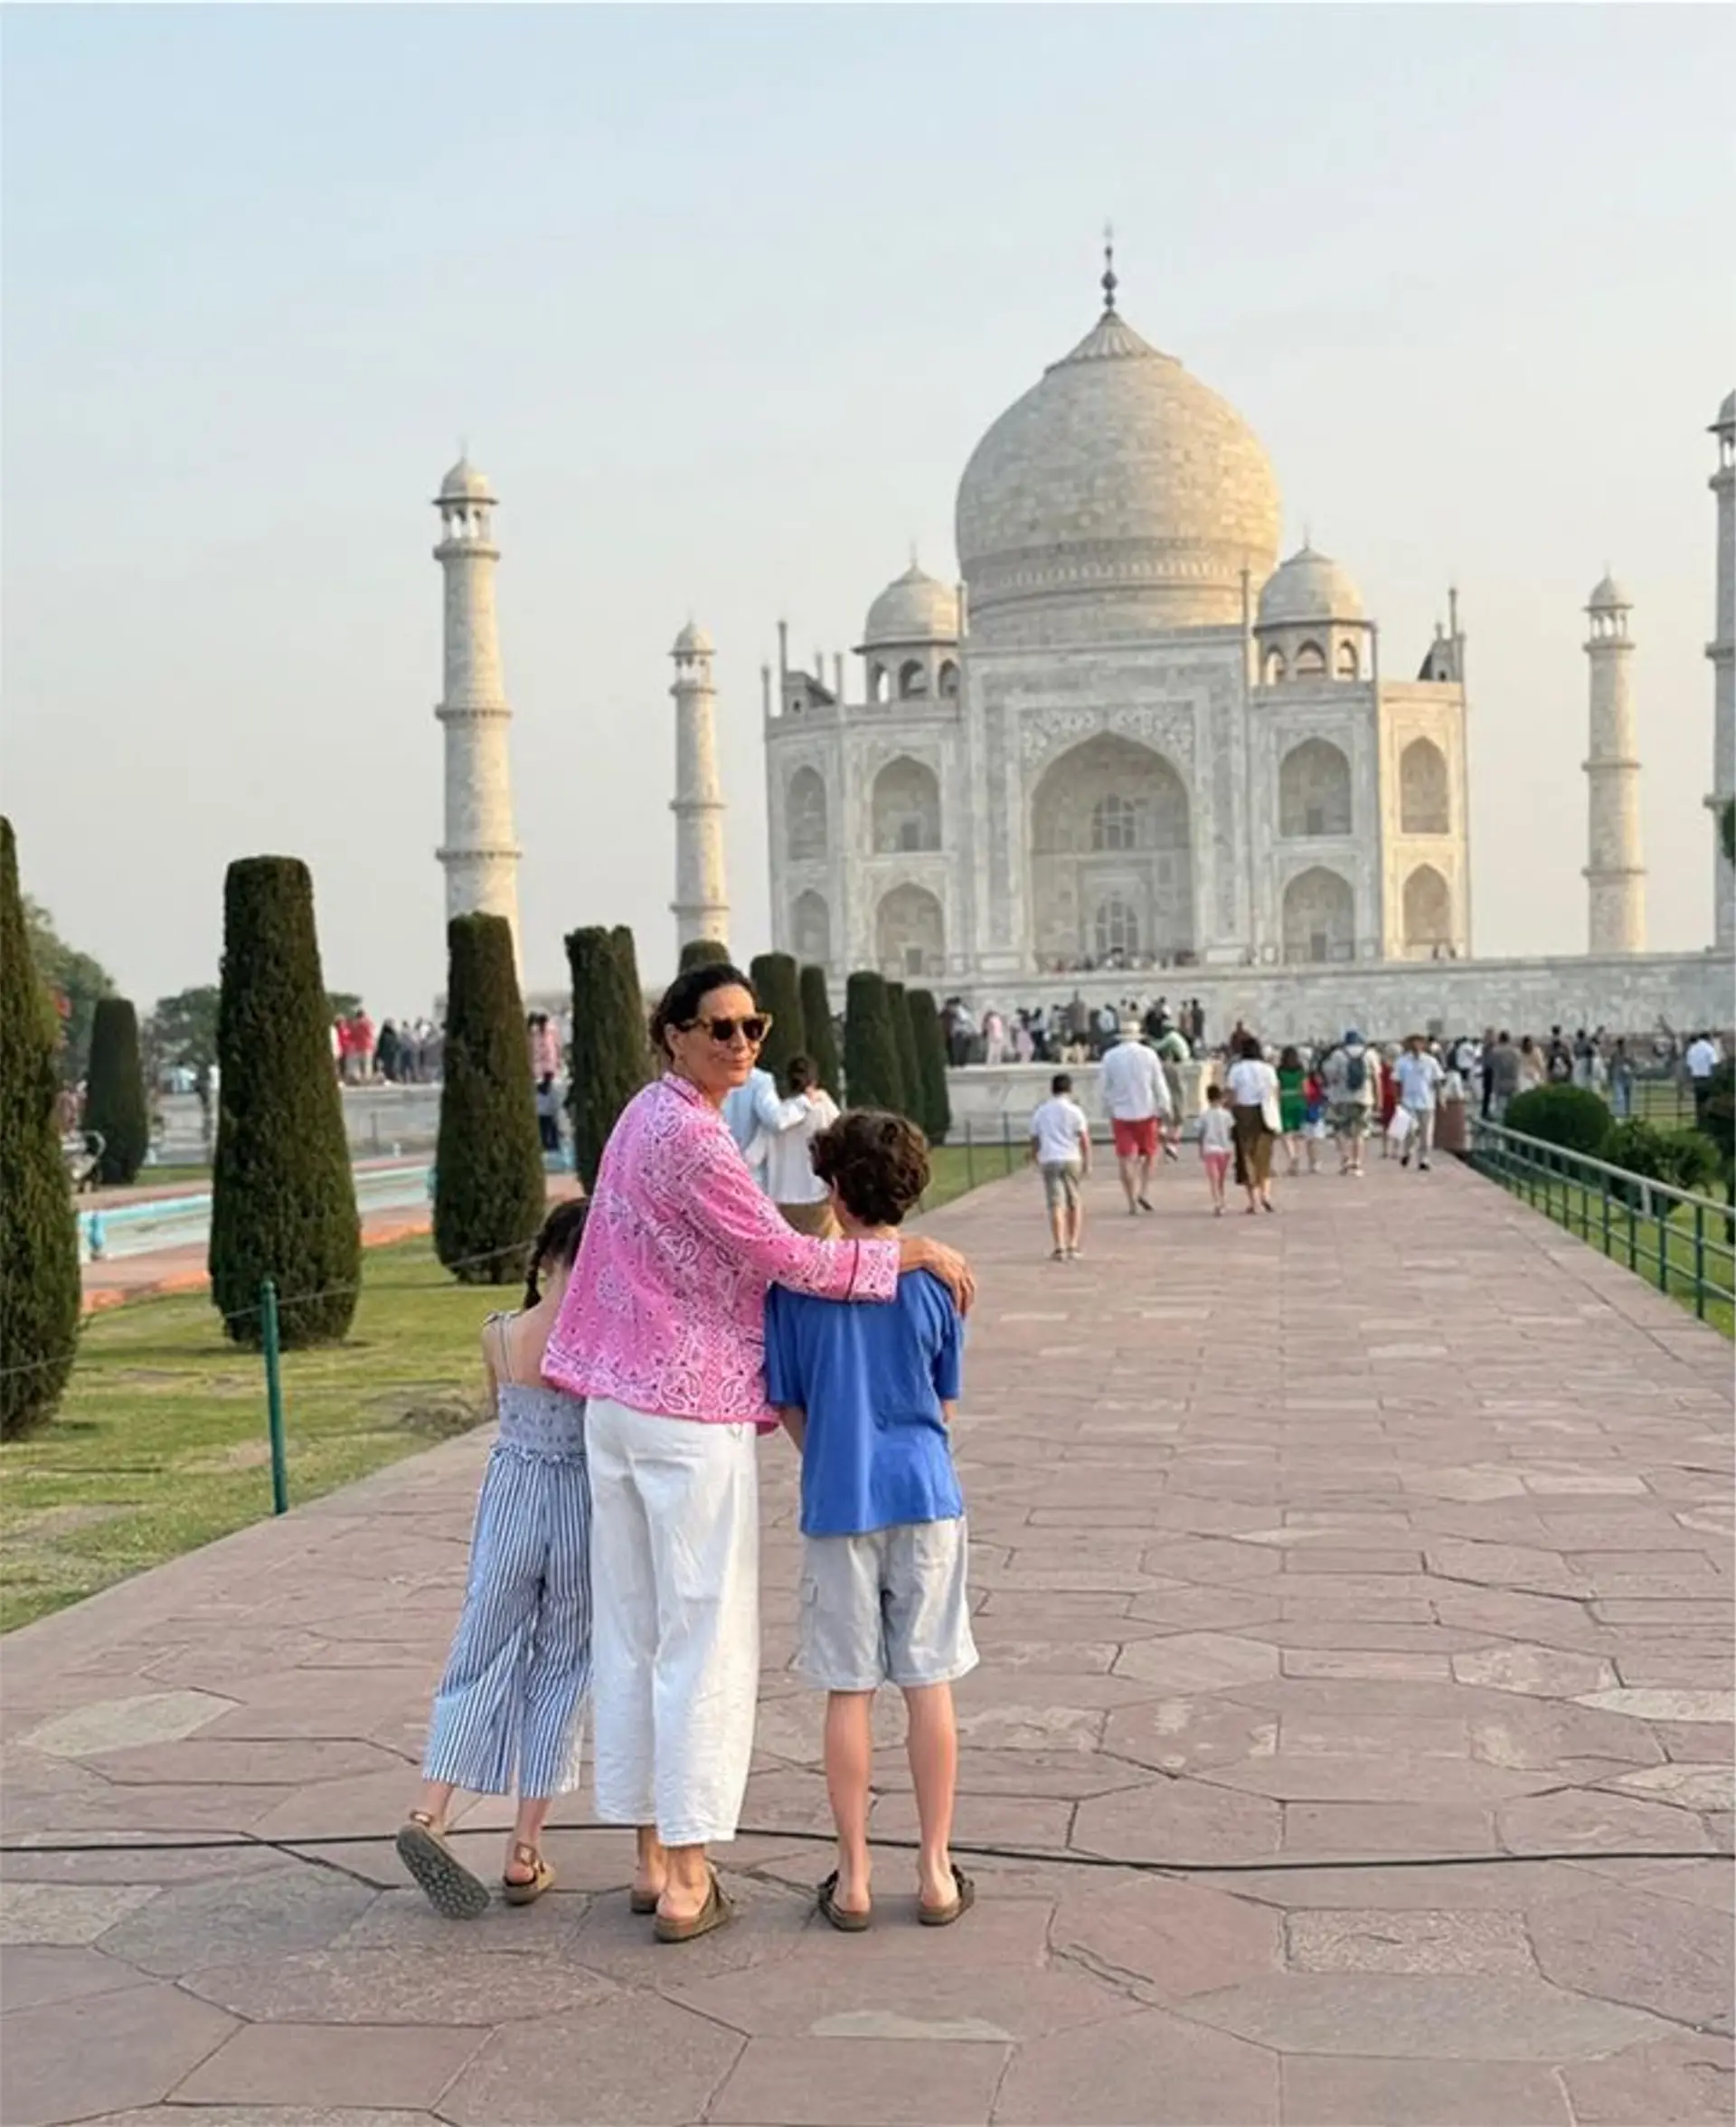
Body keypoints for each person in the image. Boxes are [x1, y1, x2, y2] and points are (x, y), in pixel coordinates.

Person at [542, 962, 972, 1944]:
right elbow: (788, 1259)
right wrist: (911, 1252)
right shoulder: (693, 1138)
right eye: (720, 1028)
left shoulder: (642, 1117)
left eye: (753, 1026)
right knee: (699, 1638)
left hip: (616, 1402)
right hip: (682, 1412)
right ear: (672, 1036)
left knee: (639, 1631)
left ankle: (654, 1857)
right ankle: (690, 1880)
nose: (742, 1044)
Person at [765, 1111, 976, 1931]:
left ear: (835, 1189)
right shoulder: (937, 1281)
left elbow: (785, 1399)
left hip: (838, 1497)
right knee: (929, 1683)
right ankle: (933, 1871)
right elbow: (943, 1400)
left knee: (848, 1689)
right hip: (923, 1493)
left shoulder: (796, 1285)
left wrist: (830, 1454)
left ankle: (853, 1875)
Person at [398, 1198, 594, 1918]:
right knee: (563, 1667)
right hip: (579, 1502)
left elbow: (501, 1417)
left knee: (478, 1652)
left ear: (542, 1262)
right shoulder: (594, 1349)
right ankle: (524, 1845)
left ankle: (431, 1807)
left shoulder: (500, 1335)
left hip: (512, 1494)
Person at [748, 1054, 841, 1235]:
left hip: (781, 1203)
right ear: (814, 1080)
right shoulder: (824, 1110)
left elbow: (751, 1158)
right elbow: (847, 1136)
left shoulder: (774, 1119)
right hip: (818, 1198)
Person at [1098, 1018, 1172, 1215]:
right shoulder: (1149, 1055)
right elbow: (1158, 1083)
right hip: (1146, 1111)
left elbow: (1104, 1087)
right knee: (1150, 1154)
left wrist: (1106, 1108)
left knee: (1126, 1158)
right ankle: (1144, 1191)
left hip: (1121, 1114)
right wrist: (1165, 1106)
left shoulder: (1110, 1056)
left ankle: (1131, 1201)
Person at [1028, 1072, 1091, 1260]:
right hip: (1071, 1157)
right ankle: (1073, 1243)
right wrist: (1088, 1161)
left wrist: (1034, 1156)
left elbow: (1035, 1137)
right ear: (1070, 1089)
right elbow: (1084, 1138)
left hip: (1050, 1158)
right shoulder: (1074, 1110)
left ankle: (1059, 1246)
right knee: (1074, 1201)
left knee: (1056, 1203)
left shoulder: (1042, 1111)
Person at [1225, 1034, 1278, 1215]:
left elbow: (1231, 1094)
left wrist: (1228, 1112)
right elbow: (1274, 1092)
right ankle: (1266, 1194)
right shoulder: (1268, 1069)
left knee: (1245, 1155)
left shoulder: (1237, 1069)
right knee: (1263, 1155)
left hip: (1243, 1112)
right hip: (1265, 1112)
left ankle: (1253, 1201)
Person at [1324, 1030, 1374, 1177]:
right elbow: (1376, 1077)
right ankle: (1357, 1162)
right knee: (1359, 1131)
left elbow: (1330, 1077)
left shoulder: (1338, 1055)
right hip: (1364, 1098)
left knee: (1340, 1130)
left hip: (1341, 1098)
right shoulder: (1369, 1054)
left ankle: (1345, 1159)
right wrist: (1378, 1099)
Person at [1393, 1033, 1444, 1172]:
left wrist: (1441, 1098)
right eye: (1413, 1043)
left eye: (1419, 1043)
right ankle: (1407, 1151)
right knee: (1408, 1130)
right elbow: (1397, 1081)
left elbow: (1437, 1080)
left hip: (1426, 1100)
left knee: (1426, 1133)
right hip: (1407, 1101)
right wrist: (1396, 1098)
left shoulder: (1430, 1062)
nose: (1416, 1046)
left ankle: (1424, 1159)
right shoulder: (1402, 1062)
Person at [1198, 1081, 1234, 1216]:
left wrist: (1200, 1148)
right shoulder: (1227, 1114)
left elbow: (1201, 1133)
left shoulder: (1204, 1114)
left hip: (1210, 1149)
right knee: (1221, 1178)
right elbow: (1230, 1132)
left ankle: (1217, 1202)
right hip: (1225, 1149)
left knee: (1213, 1178)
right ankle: (1222, 1200)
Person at [1275, 1045, 1307, 1177]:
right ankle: (1297, 1155)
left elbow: (1276, 1088)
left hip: (1284, 1101)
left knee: (1285, 1134)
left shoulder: (1279, 1071)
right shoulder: (1301, 1070)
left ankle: (1292, 1156)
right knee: (1297, 1133)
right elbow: (1305, 1088)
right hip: (1298, 1100)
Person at [1684, 1030, 1722, 1128]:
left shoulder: (1692, 1049)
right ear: (1708, 1038)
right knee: (1709, 1100)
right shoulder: (1709, 1049)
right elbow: (1714, 1063)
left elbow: (1688, 1065)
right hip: (1708, 1077)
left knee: (1698, 1101)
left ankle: (1700, 1122)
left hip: (1696, 1078)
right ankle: (1708, 1123)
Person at [1486, 1030, 1522, 1120]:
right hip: (1514, 1082)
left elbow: (1489, 1065)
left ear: (1500, 1039)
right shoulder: (1516, 1052)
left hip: (1500, 1083)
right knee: (1514, 1106)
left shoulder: (1495, 1052)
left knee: (1500, 1109)